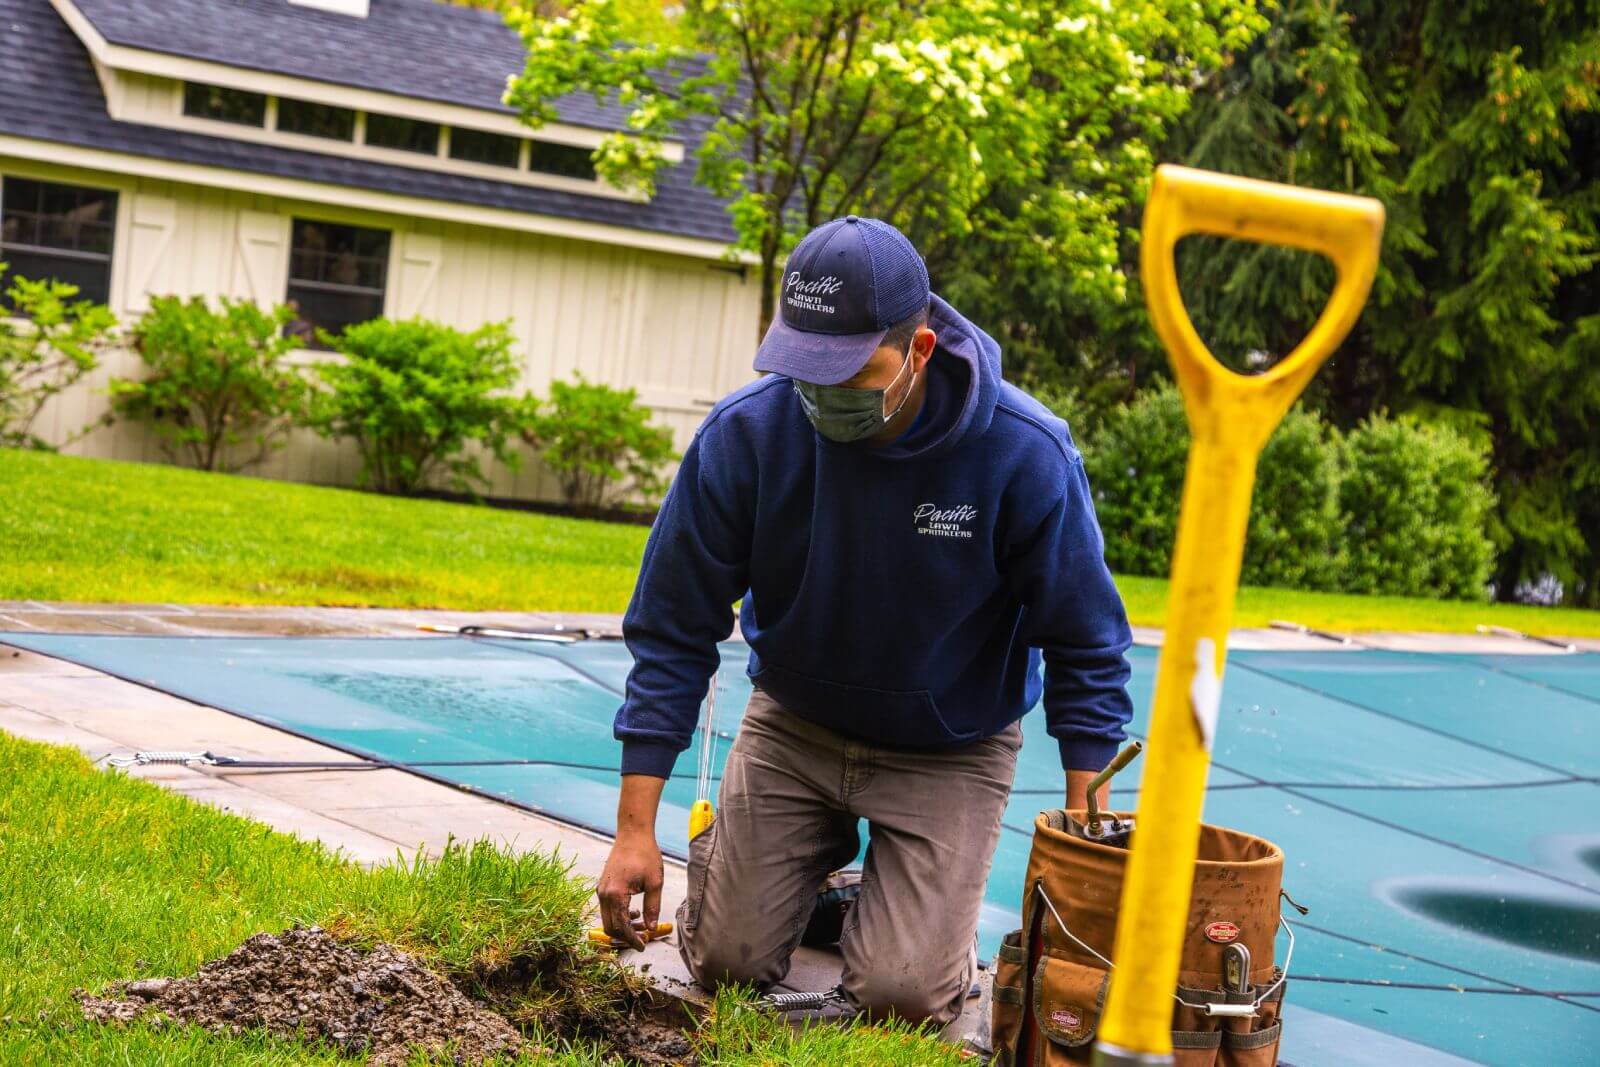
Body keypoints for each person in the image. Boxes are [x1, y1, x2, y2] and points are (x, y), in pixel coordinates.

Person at [596, 215, 1134, 1026]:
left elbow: (1087, 645)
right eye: (802, 370)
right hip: (796, 729)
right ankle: (823, 885)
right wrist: (634, 831)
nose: (818, 396)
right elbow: (673, 626)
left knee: (902, 997)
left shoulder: (1025, 453)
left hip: (950, 749)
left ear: (918, 350)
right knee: (724, 962)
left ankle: (887, 904)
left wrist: (1083, 852)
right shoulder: (745, 436)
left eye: (846, 373)